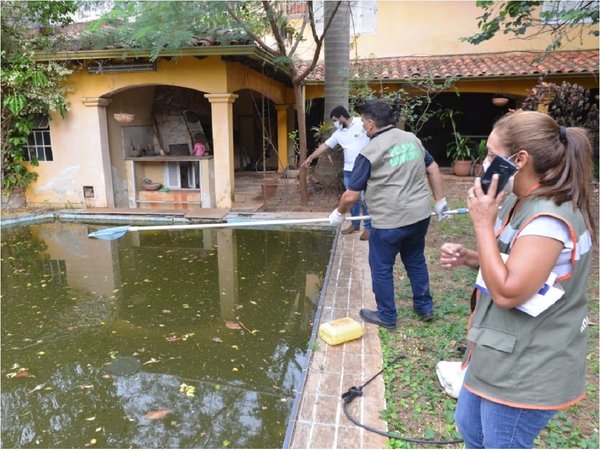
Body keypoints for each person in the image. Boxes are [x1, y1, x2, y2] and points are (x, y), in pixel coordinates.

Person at [439, 110, 595, 448]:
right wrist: (473, 258)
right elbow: (519, 263)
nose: (484, 163)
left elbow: (510, 292)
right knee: (469, 428)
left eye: (492, 155)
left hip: (526, 367)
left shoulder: (549, 218)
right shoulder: (521, 200)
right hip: (496, 352)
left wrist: (482, 223)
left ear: (519, 160)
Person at [329, 99, 450, 327]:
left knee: (381, 267)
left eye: (364, 123)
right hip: (419, 216)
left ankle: (386, 316)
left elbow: (351, 195)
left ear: (372, 123)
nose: (363, 127)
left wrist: (338, 214)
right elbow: (432, 167)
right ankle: (424, 307)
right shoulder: (412, 139)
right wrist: (440, 200)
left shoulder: (369, 152)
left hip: (389, 222)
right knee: (415, 260)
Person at [303, 106, 372, 240]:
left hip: (364, 168)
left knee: (364, 199)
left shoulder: (361, 122)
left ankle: (369, 228)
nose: (335, 123)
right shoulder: (339, 132)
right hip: (348, 170)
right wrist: (311, 157)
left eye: (335, 120)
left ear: (341, 117)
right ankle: (355, 224)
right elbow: (325, 146)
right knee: (353, 199)